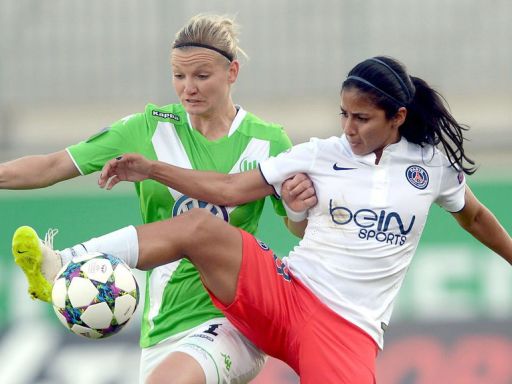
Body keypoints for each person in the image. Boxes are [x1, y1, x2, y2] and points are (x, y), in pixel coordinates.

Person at [15, 56, 512, 383]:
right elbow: (230, 190)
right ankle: (65, 263)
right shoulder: (320, 153)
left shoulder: (433, 167)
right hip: (287, 292)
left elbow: (474, 217)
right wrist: (151, 169)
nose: (348, 128)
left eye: (361, 119)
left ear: (398, 117)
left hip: (347, 330)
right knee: (202, 227)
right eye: (343, 114)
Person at [5, 14, 316, 384]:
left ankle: (64, 262)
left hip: (232, 320)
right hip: (162, 326)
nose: (188, 88)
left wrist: (299, 208)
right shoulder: (145, 128)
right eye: (179, 76)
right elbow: (52, 165)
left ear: (232, 72)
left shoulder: (268, 141)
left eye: (202, 76)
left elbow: (298, 229)